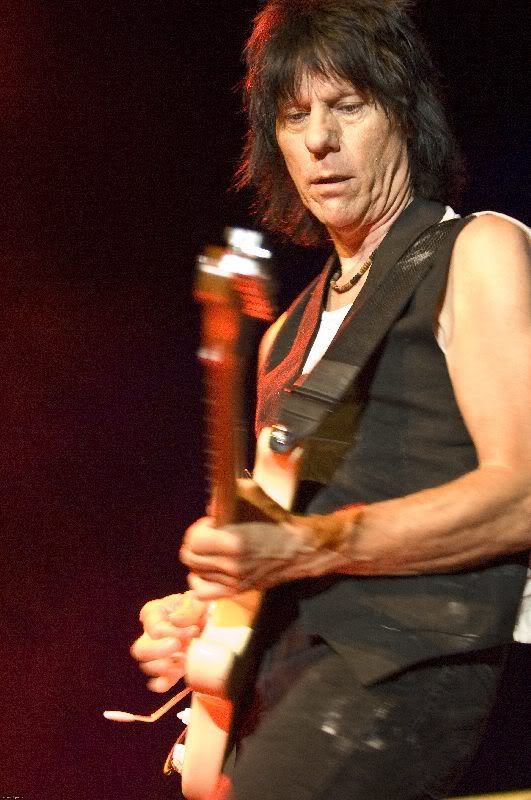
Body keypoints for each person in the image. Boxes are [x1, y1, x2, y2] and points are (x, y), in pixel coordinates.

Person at [131, 1, 531, 798]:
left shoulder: (475, 248)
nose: (318, 139)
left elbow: (520, 493)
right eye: (294, 115)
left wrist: (306, 548)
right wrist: (204, 616)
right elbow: (281, 537)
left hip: (409, 663)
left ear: (405, 116)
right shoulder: (283, 333)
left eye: (348, 106)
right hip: (288, 677)